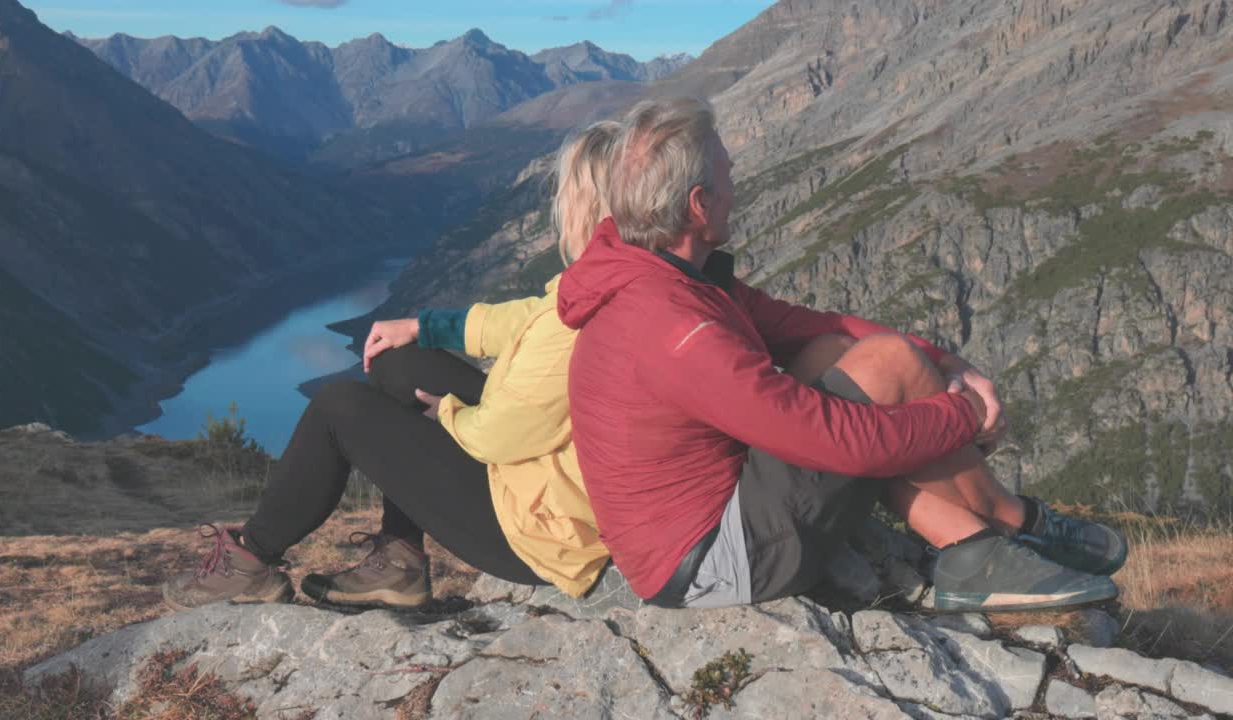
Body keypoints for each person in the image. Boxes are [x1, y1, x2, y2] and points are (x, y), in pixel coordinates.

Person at [556, 97, 1127, 612]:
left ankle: (972, 547)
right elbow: (836, 439)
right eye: (729, 174)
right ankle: (1009, 520)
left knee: (836, 351)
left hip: (700, 528)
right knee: (888, 370)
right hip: (713, 561)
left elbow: (813, 327)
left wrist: (950, 365)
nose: (739, 188)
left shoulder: (661, 279)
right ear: (699, 204)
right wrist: (963, 415)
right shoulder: (673, 325)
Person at [162, 120, 620, 610]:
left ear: (588, 208)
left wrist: (445, 416)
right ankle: (399, 560)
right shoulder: (623, 277)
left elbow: (499, 435)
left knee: (339, 407)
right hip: (548, 486)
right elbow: (533, 316)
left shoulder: (593, 312)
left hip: (539, 532)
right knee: (400, 363)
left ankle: (250, 560)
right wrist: (425, 327)